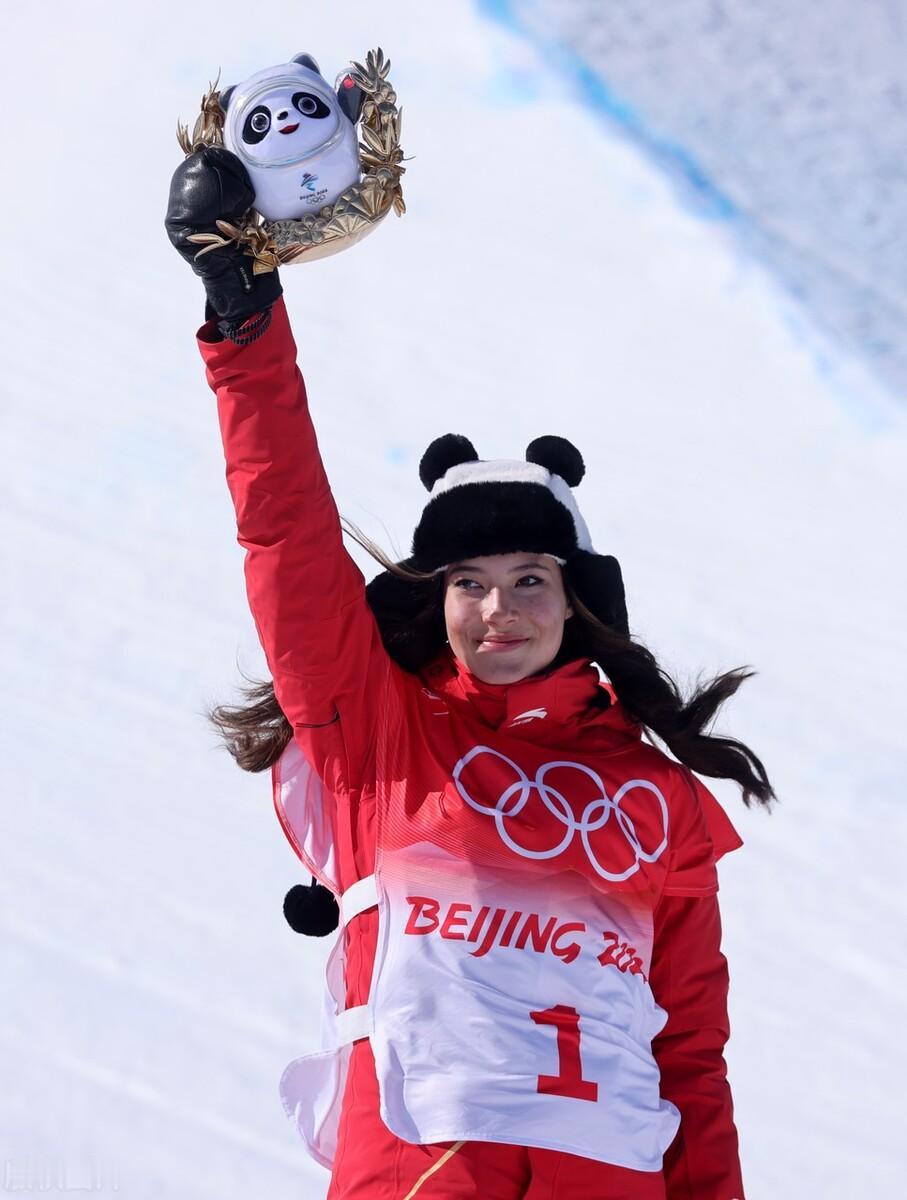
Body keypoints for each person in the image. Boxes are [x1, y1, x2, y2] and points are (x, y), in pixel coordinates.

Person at [167, 147, 773, 1200]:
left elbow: (691, 1061)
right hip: (423, 1166)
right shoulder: (379, 737)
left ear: (576, 599)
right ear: (434, 601)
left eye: (531, 579)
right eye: (469, 581)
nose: (499, 608)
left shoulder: (663, 803)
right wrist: (243, 319)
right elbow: (287, 539)